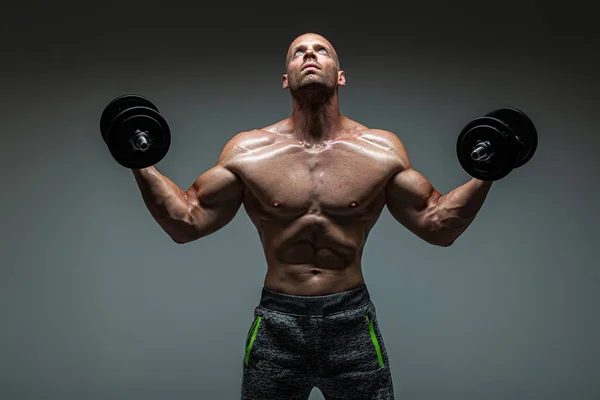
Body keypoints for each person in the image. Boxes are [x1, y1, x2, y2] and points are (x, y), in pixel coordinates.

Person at [131, 33, 493, 399]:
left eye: (321, 50)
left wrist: (489, 171)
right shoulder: (248, 151)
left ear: (340, 76)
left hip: (351, 320)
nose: (309, 55)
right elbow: (186, 221)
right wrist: (138, 160)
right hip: (278, 322)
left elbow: (437, 224)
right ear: (286, 78)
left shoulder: (381, 150)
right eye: (298, 52)